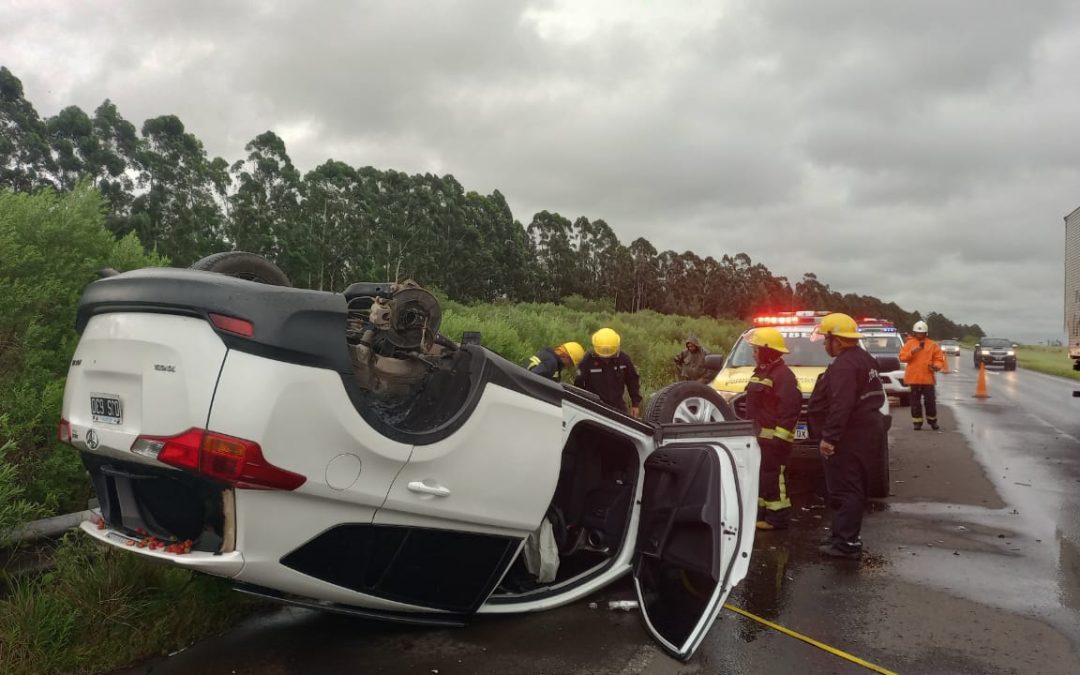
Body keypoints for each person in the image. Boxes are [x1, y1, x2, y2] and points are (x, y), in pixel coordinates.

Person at [807, 313, 886, 560]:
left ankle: (846, 544)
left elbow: (842, 405)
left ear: (838, 341)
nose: (824, 344)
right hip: (866, 430)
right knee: (854, 485)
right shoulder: (865, 359)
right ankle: (842, 535)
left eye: (826, 339)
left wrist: (829, 438)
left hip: (851, 434)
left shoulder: (844, 365)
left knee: (846, 487)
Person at [743, 327, 803, 531]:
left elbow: (790, 409)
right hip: (759, 438)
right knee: (763, 476)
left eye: (756, 349)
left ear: (768, 351)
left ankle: (778, 518)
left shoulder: (784, 376)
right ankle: (763, 515)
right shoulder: (761, 372)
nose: (753, 353)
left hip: (774, 440)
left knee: (775, 477)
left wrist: (780, 438)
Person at [574, 328, 642, 417]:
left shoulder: (623, 359)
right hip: (594, 407)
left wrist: (635, 404)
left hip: (617, 406)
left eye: (610, 355)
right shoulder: (588, 360)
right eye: (603, 356)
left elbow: (632, 380)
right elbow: (579, 383)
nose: (606, 358)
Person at [898, 320, 947, 431]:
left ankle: (932, 421)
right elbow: (902, 357)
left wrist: (936, 366)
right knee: (915, 403)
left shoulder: (932, 345)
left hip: (928, 378)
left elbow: (939, 359)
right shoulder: (909, 344)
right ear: (914, 333)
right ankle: (917, 422)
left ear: (926, 333)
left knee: (930, 402)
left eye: (922, 333)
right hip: (913, 379)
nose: (920, 335)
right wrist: (912, 352)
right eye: (918, 333)